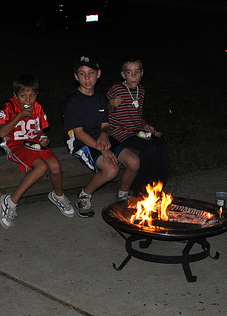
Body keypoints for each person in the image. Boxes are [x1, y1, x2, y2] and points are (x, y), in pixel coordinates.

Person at [0, 73, 75, 229]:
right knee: (41, 167)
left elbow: (39, 131)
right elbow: (1, 133)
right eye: (23, 95)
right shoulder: (9, 107)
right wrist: (19, 116)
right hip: (15, 145)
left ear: (36, 95)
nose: (28, 100)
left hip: (34, 144)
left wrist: (43, 137)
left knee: (55, 165)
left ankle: (58, 196)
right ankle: (11, 201)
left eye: (32, 95)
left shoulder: (37, 108)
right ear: (15, 95)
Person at [64, 55, 139, 217]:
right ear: (76, 77)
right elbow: (79, 133)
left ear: (98, 74)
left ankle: (123, 195)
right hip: (80, 142)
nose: (87, 78)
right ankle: (84, 196)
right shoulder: (73, 102)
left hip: (99, 138)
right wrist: (103, 149)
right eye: (82, 74)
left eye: (91, 73)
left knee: (134, 161)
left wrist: (105, 135)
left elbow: (105, 126)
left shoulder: (100, 98)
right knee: (111, 170)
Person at [107, 55, 169, 196]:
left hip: (137, 132)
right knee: (149, 148)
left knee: (162, 145)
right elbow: (103, 109)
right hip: (121, 134)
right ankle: (139, 187)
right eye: (129, 72)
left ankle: (158, 186)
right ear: (123, 75)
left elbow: (138, 115)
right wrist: (110, 104)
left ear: (142, 73)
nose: (133, 76)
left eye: (137, 72)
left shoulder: (141, 91)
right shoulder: (116, 90)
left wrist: (145, 125)